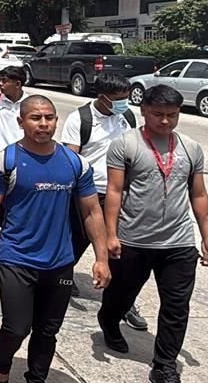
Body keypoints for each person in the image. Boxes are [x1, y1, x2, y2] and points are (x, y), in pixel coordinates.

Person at [0, 95, 111, 383]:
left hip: (59, 261)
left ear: (56, 121)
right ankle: (1, 371)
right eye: (36, 118)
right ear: (21, 122)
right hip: (16, 259)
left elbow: (92, 210)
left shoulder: (75, 163)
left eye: (49, 117)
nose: (44, 124)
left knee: (48, 331)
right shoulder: (4, 161)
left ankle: (36, 378)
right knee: (16, 327)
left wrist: (101, 258)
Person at [98, 85, 208, 383]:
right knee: (121, 295)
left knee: (177, 306)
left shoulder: (190, 147)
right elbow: (114, 191)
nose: (165, 121)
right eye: (158, 114)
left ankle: (164, 365)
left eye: (172, 115)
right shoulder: (126, 144)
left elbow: (199, 195)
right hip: (133, 240)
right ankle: (110, 321)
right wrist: (111, 234)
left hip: (178, 243)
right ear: (144, 111)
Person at [59, 72, 146, 328]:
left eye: (126, 98)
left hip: (120, 194)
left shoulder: (126, 118)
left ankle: (124, 304)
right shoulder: (81, 119)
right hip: (87, 193)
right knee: (75, 243)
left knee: (121, 250)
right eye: (119, 99)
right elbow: (70, 159)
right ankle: (60, 286)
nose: (124, 104)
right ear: (102, 97)